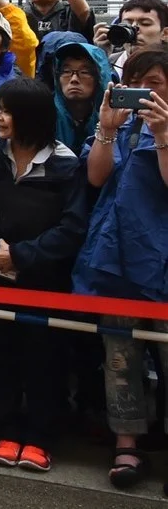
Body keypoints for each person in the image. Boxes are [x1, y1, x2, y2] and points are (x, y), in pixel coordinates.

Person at [0, 77, 88, 474]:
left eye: (7, 110)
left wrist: (21, 255)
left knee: (44, 358)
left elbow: (73, 227)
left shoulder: (67, 164)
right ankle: (5, 430)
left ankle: (40, 436)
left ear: (32, 117)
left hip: (44, 280)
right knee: (2, 353)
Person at [76, 50, 168, 492]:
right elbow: (96, 179)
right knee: (120, 355)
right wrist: (107, 129)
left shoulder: (161, 127)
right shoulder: (121, 124)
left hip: (161, 257)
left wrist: (163, 133)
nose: (146, 90)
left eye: (155, 81)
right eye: (135, 81)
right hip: (115, 258)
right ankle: (126, 442)